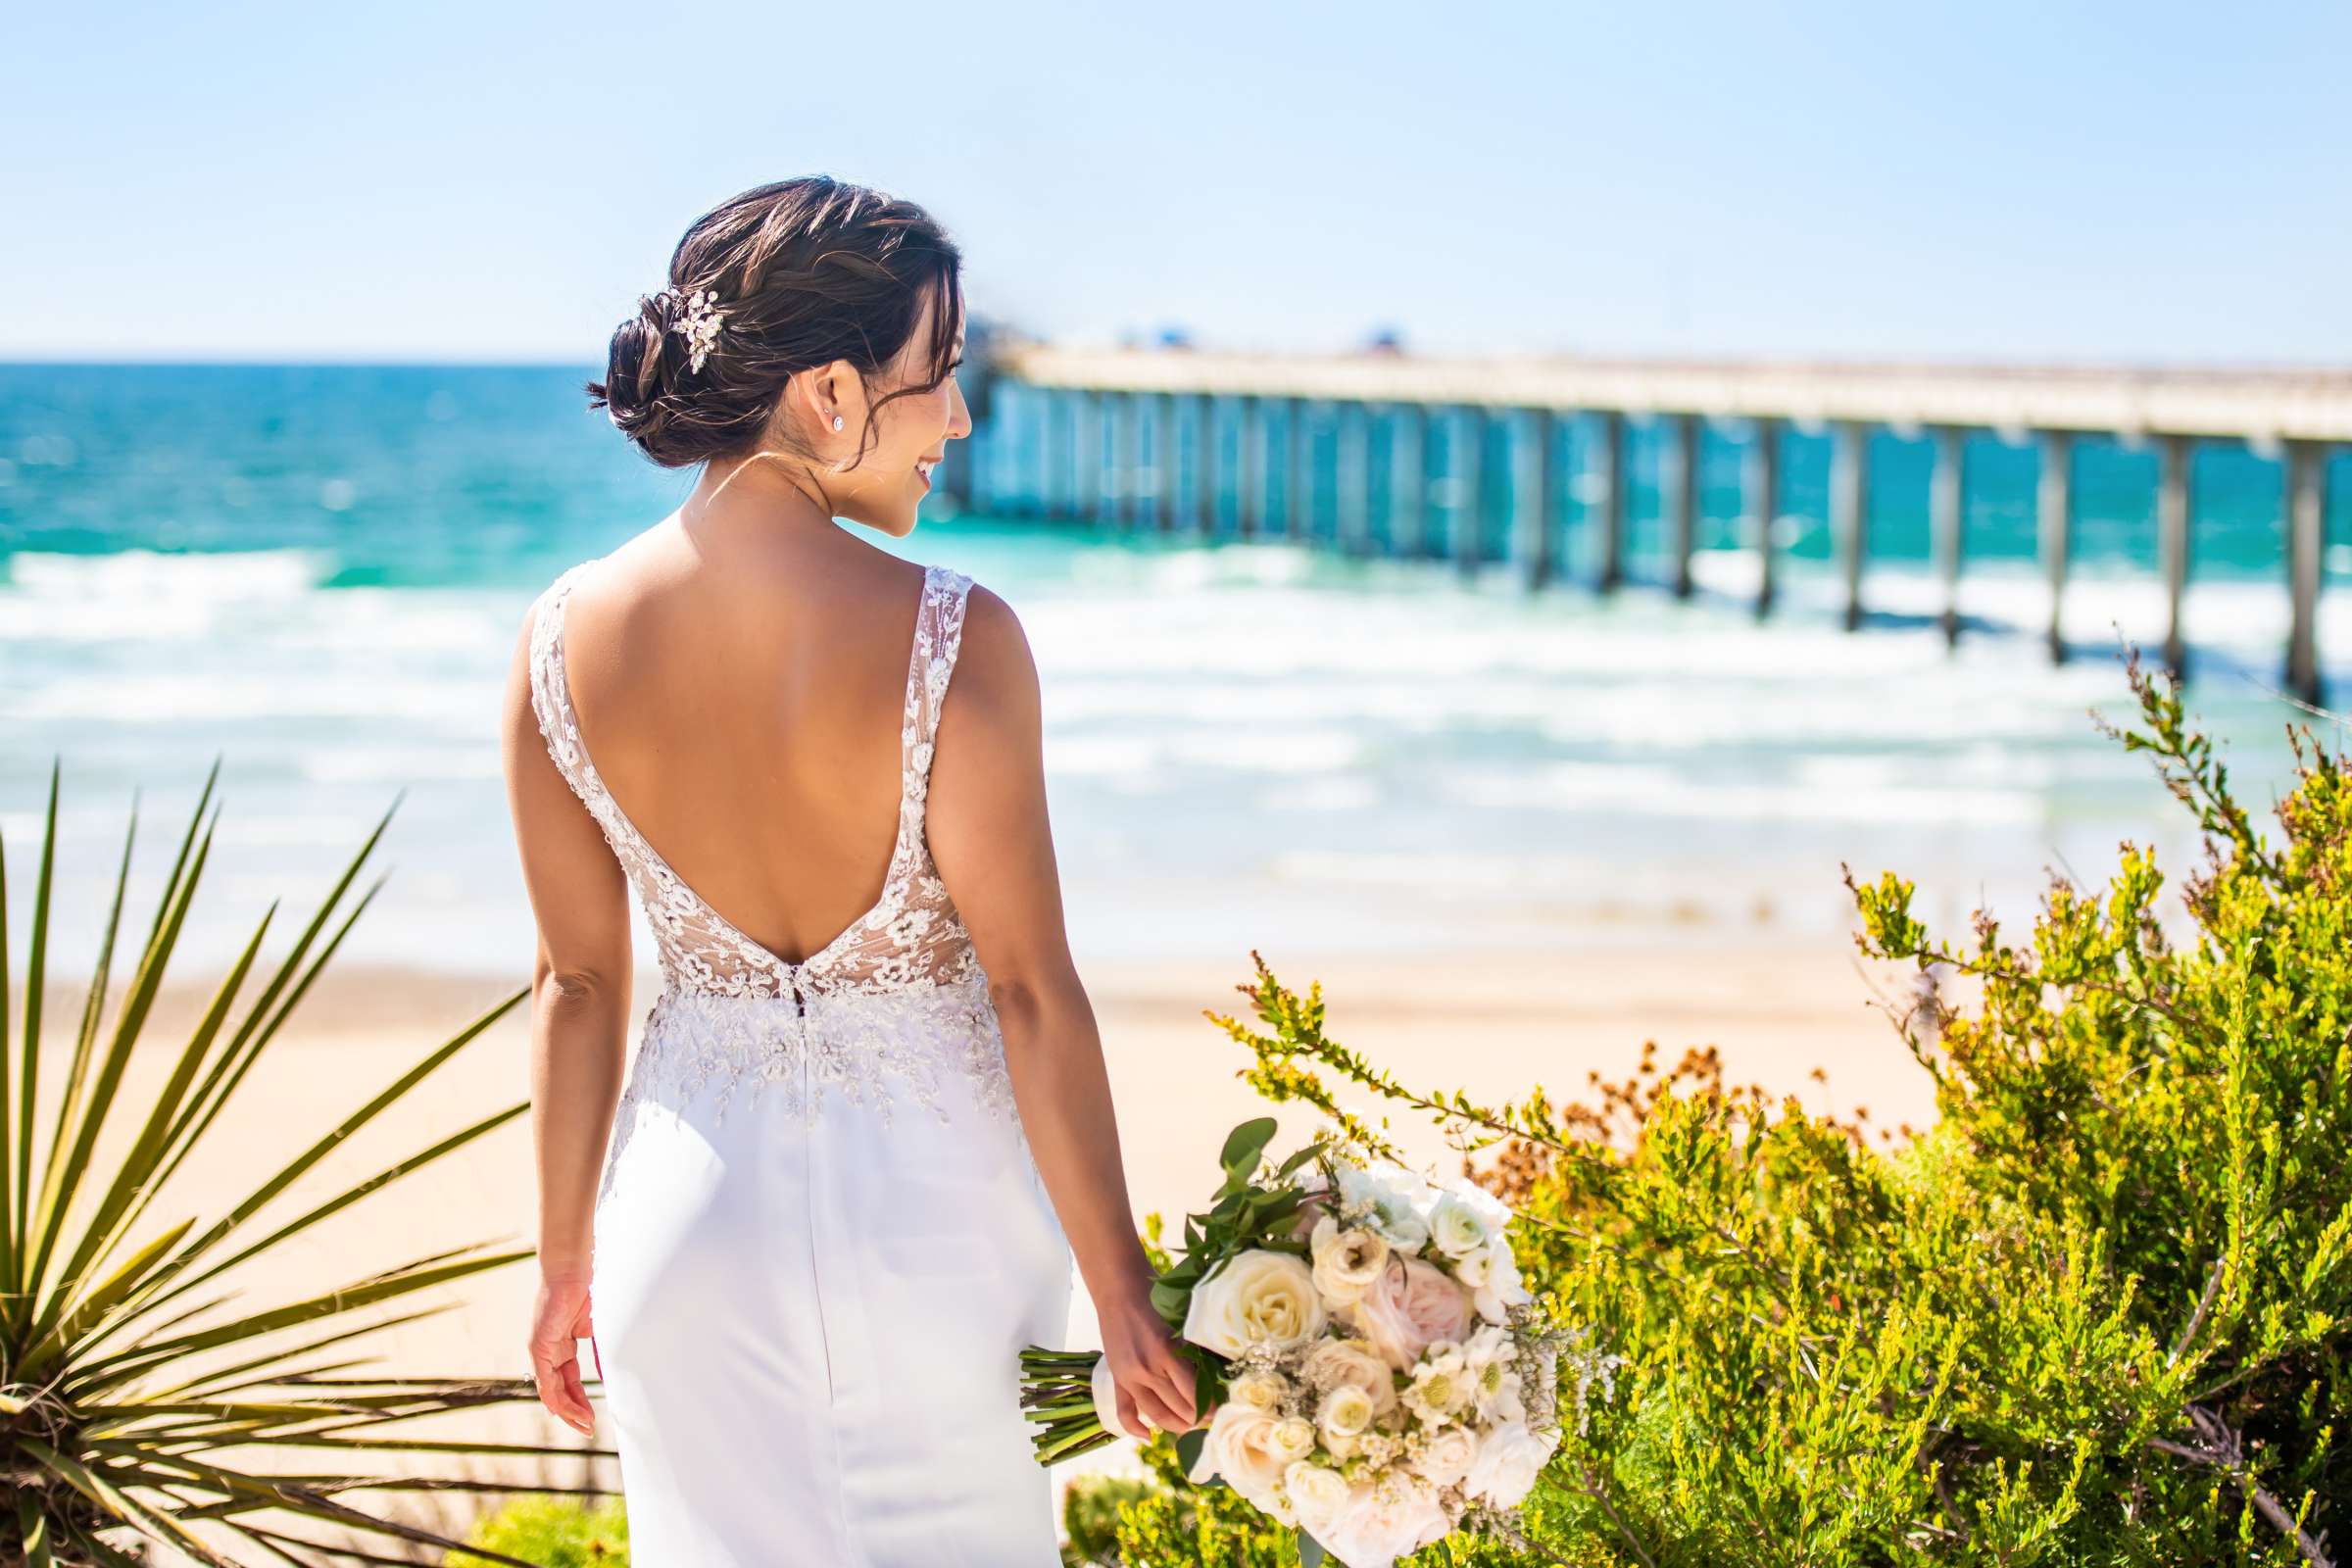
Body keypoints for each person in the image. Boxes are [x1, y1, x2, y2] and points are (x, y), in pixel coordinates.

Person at [498, 174, 1199, 1564]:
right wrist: (1123, 1295)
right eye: (938, 376)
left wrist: (567, 1263)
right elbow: (1030, 993)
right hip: (933, 1244)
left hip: (674, 1246)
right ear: (830, 393)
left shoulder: (557, 640)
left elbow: (577, 981)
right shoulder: (956, 634)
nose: (961, 418)